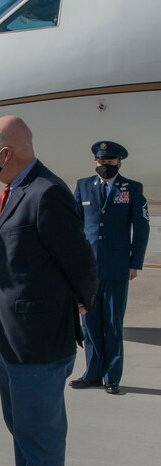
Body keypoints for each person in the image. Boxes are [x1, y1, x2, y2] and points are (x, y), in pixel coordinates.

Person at [0, 116, 98, 466]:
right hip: (9, 334)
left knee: (41, 434)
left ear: (6, 154)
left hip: (39, 338)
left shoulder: (47, 193)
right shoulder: (17, 189)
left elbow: (81, 260)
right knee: (20, 427)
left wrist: (82, 302)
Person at [69, 140, 150, 394]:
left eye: (110, 161)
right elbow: (73, 226)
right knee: (89, 324)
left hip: (117, 268)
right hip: (88, 270)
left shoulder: (132, 189)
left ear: (119, 162)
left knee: (113, 323)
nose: (104, 165)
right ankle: (92, 373)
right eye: (100, 161)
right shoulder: (83, 186)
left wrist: (134, 262)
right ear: (95, 162)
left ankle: (111, 377)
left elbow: (142, 228)